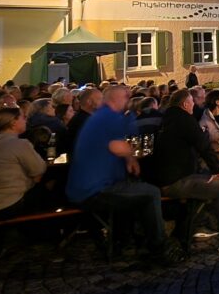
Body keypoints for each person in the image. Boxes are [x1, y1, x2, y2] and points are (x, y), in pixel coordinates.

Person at [65, 85, 178, 264]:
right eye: (124, 97)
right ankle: (159, 249)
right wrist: (131, 156)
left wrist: (129, 159)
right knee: (151, 193)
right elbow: (118, 146)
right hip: (94, 190)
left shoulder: (100, 118)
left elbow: (113, 144)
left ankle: (129, 241)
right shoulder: (109, 117)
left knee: (138, 192)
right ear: (113, 100)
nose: (127, 101)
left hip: (87, 186)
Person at [153, 89, 219, 253]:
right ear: (185, 104)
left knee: (207, 182)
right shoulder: (184, 119)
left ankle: (200, 223)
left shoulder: (166, 118)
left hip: (167, 176)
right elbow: (203, 145)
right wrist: (217, 170)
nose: (195, 105)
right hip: (175, 180)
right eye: (192, 101)